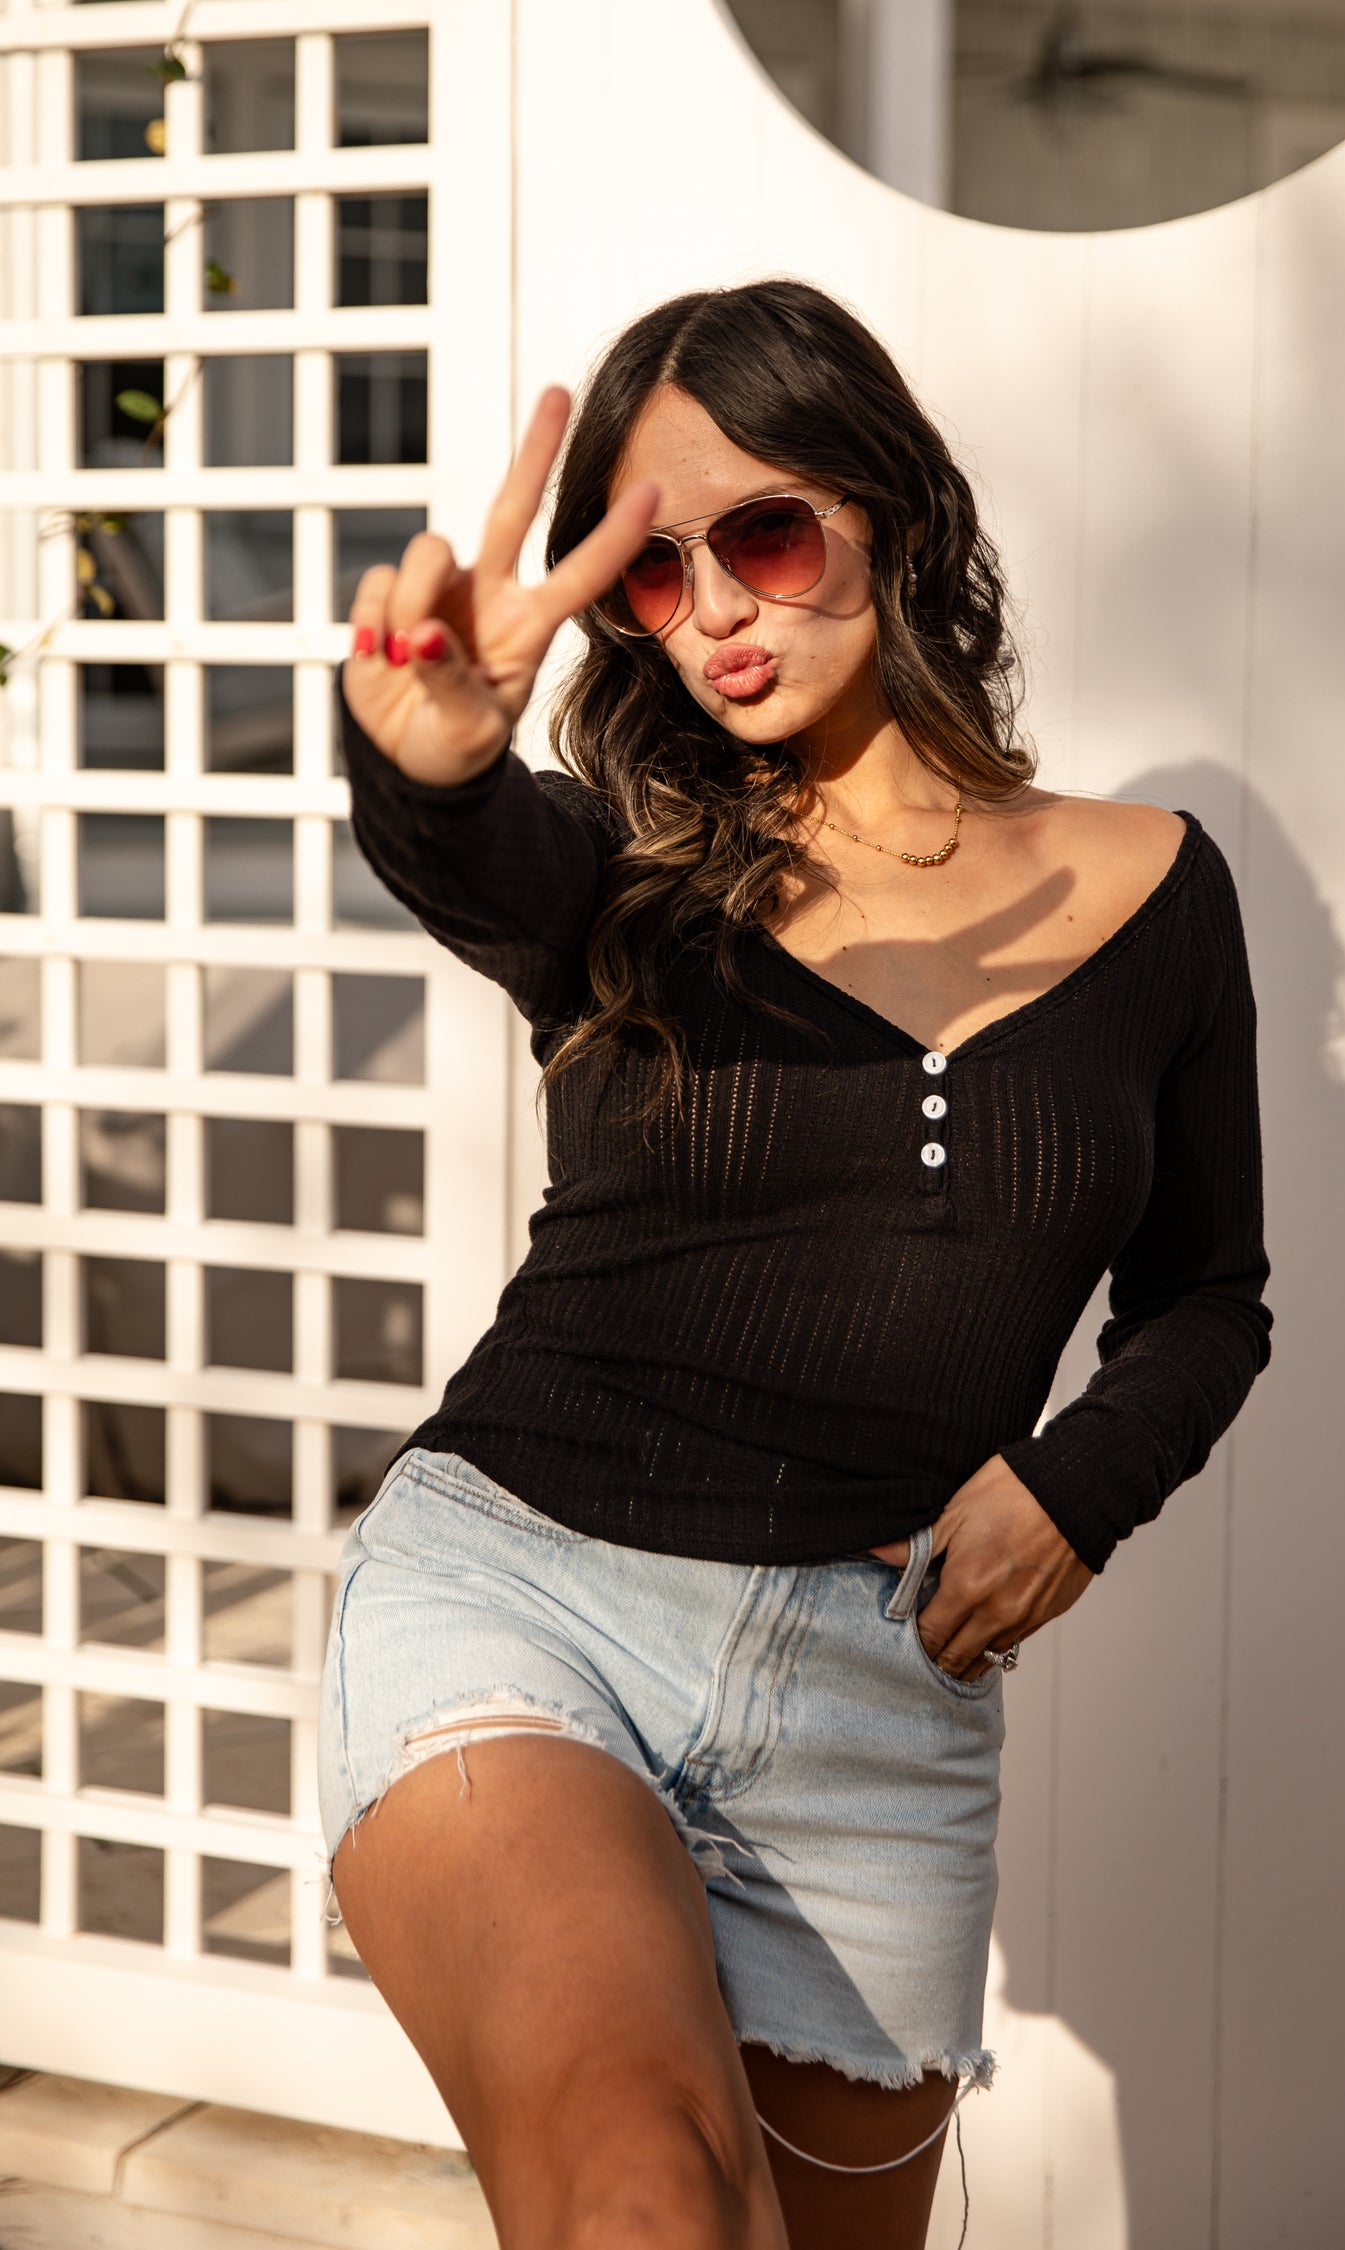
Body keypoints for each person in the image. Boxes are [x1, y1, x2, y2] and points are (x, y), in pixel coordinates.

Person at [318, 279, 1272, 2250]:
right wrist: (421, 761)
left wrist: (1079, 1485)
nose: (719, 609)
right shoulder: (622, 883)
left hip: (879, 1699)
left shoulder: (1163, 894)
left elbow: (1208, 1299)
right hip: (528, 1602)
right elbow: (465, 847)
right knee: (646, 2195)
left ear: (891, 509)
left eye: (758, 531)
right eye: (652, 580)